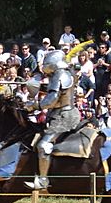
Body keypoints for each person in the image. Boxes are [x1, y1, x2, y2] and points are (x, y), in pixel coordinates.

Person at [24, 50, 79, 190]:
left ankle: (43, 181)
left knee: (43, 145)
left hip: (64, 116)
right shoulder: (65, 73)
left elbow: (52, 99)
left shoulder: (60, 75)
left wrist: (35, 106)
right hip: (59, 114)